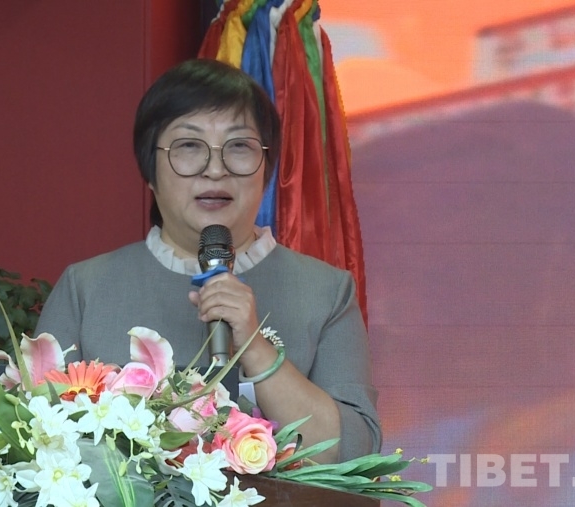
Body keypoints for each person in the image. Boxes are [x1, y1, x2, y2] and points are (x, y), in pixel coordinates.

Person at [35, 58, 381, 462]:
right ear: (149, 170)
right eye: (189, 146)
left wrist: (255, 349)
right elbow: (37, 442)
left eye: (239, 147)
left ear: (267, 168)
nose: (215, 170)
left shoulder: (326, 292)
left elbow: (355, 455)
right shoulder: (86, 288)